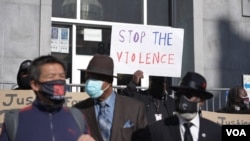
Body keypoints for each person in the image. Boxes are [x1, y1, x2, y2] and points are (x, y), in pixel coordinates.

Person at [0, 55, 95, 141]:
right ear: (35, 85)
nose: (58, 81)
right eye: (51, 76)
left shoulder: (77, 117)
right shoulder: (15, 120)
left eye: (62, 77)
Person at [73, 54, 147, 141]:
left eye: (95, 78)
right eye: (88, 78)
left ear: (109, 81)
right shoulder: (78, 110)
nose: (90, 82)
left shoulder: (135, 108)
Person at [132, 72, 222, 141]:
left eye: (188, 95)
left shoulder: (215, 131)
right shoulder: (156, 130)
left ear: (201, 100)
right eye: (179, 94)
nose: (182, 100)